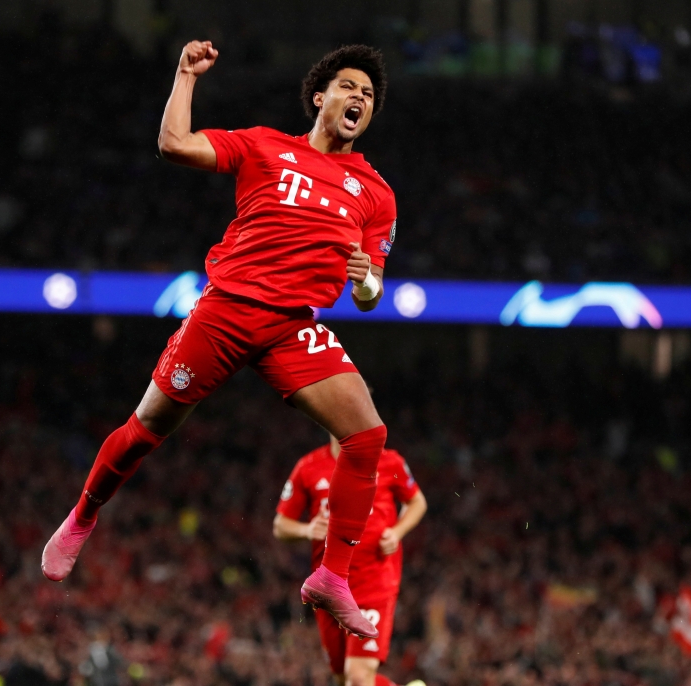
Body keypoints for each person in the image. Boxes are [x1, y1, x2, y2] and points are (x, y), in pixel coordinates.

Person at [42, 40, 399, 639]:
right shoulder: (264, 146)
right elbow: (174, 145)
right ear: (320, 97)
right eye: (348, 87)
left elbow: (371, 293)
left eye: (368, 95)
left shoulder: (376, 194)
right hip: (227, 311)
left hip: (294, 326)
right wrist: (185, 76)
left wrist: (367, 282)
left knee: (368, 435)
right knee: (146, 431)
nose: (358, 98)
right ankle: (83, 513)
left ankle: (332, 576)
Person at [274, 434, 427, 686]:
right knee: (343, 678)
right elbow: (280, 526)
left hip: (373, 582)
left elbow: (417, 502)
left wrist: (397, 532)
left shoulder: (390, 462)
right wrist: (306, 529)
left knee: (357, 677)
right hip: (328, 590)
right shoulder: (308, 466)